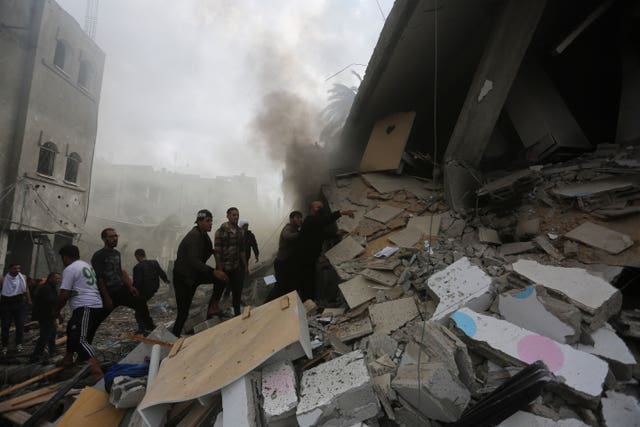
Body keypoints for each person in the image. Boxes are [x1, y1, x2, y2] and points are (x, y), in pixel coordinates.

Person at [172, 209, 229, 336]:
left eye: (211, 221)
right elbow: (193, 261)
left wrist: (219, 267)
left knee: (222, 278)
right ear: (199, 222)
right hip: (184, 278)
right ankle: (174, 337)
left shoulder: (204, 236)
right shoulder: (194, 236)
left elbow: (212, 251)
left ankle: (212, 309)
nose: (211, 224)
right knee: (183, 312)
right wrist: (213, 271)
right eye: (208, 221)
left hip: (195, 274)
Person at [55, 245, 107, 380]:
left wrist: (56, 310)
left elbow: (64, 294)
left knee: (80, 338)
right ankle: (68, 359)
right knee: (71, 329)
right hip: (91, 305)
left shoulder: (70, 269)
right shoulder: (86, 265)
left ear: (65, 257)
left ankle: (97, 371)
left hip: (86, 305)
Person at [91, 228, 155, 335]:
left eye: (116, 236)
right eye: (111, 237)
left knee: (140, 301)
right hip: (108, 292)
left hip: (120, 290)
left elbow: (120, 272)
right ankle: (84, 341)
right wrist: (106, 298)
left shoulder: (117, 253)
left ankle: (150, 328)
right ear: (104, 239)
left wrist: (130, 287)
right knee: (95, 320)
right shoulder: (98, 255)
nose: (115, 239)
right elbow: (99, 278)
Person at [295, 201, 354, 301]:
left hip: (310, 259)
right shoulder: (310, 220)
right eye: (318, 207)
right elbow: (323, 221)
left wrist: (336, 233)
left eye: (322, 207)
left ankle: (311, 304)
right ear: (311, 209)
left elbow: (321, 235)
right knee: (306, 284)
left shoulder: (314, 222)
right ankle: (307, 306)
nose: (321, 209)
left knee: (311, 283)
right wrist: (341, 212)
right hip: (304, 260)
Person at [214, 207, 249, 316]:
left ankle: (237, 313)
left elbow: (242, 250)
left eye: (237, 215)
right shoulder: (221, 231)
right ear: (228, 216)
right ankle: (212, 313)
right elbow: (217, 251)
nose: (236, 217)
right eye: (233, 215)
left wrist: (246, 266)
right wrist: (219, 269)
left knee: (237, 292)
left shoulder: (240, 232)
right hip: (224, 268)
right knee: (218, 292)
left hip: (236, 267)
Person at [265, 211, 303, 302]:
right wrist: (302, 233)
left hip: (288, 263)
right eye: (297, 217)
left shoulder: (296, 229)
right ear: (291, 219)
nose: (300, 219)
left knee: (288, 286)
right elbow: (287, 236)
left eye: (300, 217)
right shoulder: (288, 228)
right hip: (282, 263)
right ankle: (267, 304)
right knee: (280, 286)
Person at [0, 263, 31, 355]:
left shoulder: (23, 277)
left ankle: (18, 344)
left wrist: (29, 300)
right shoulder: (3, 279)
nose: (17, 270)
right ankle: (4, 346)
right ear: (9, 269)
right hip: (6, 303)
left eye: (19, 268)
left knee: (20, 325)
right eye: (14, 268)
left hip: (19, 302)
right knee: (5, 325)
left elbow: (26, 289)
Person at [30, 272, 61, 363]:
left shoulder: (51, 288)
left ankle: (53, 351)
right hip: (45, 315)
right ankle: (35, 356)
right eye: (57, 278)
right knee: (45, 336)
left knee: (52, 333)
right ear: (51, 278)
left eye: (59, 279)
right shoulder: (46, 288)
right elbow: (50, 302)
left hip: (49, 315)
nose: (58, 280)